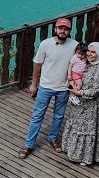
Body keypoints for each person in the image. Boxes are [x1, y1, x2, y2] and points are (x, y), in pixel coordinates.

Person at [19, 18, 78, 159]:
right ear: (55, 29)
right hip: (45, 86)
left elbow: (79, 64)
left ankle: (53, 137)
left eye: (66, 29)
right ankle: (29, 144)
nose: (62, 31)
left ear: (69, 31)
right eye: (60, 28)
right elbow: (37, 64)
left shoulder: (74, 45)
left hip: (64, 87)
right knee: (37, 116)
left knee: (59, 115)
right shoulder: (45, 44)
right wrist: (34, 84)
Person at [62, 41, 99, 166]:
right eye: (88, 51)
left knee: (88, 129)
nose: (89, 54)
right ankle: (73, 152)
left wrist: (78, 92)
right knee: (77, 125)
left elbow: (96, 90)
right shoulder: (87, 63)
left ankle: (86, 157)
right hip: (81, 103)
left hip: (92, 105)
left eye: (93, 52)